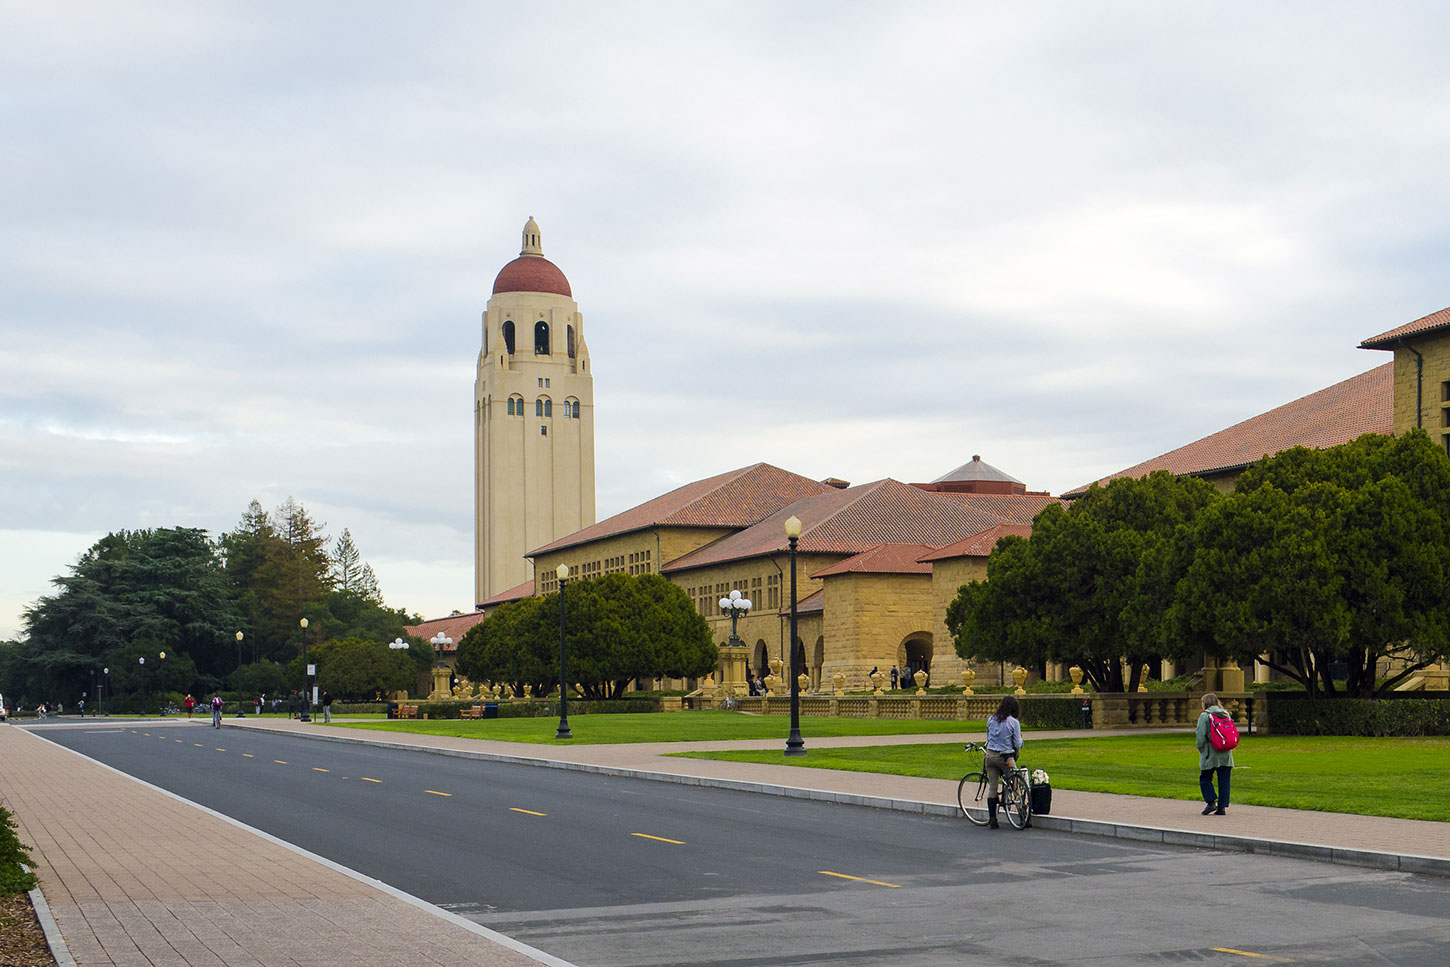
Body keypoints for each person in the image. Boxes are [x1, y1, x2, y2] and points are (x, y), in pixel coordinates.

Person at [984, 694, 1024, 829]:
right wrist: (1021, 739)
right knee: (1015, 785)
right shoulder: (1013, 722)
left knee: (993, 788)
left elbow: (988, 737)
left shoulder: (991, 719)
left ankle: (993, 819)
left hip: (990, 756)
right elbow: (1017, 744)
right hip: (1005, 757)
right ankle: (1022, 815)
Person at [1196, 691, 1235, 815]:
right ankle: (1222, 807)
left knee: (1205, 778)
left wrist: (1200, 748)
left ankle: (1211, 801)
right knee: (1224, 780)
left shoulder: (1205, 716)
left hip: (1210, 753)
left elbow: (1201, 736)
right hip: (1226, 752)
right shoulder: (1225, 714)